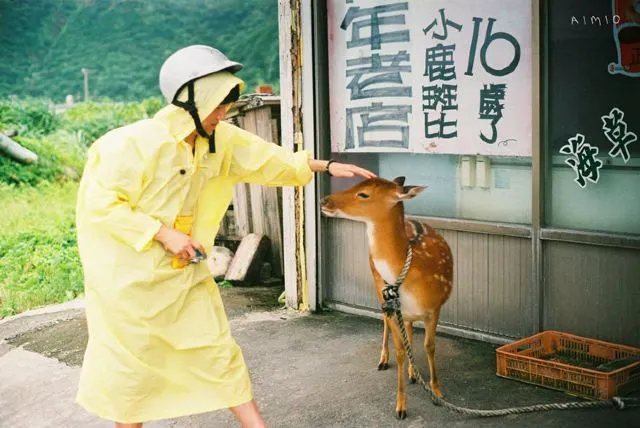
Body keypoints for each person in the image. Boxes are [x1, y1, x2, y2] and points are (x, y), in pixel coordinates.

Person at [74, 45, 376, 428]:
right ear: (191, 100)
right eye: (218, 105)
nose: (224, 114)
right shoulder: (128, 145)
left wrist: (325, 165)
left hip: (184, 274)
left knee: (218, 354)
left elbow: (269, 159)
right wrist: (163, 234)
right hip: (129, 286)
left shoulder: (219, 139)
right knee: (133, 375)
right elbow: (101, 204)